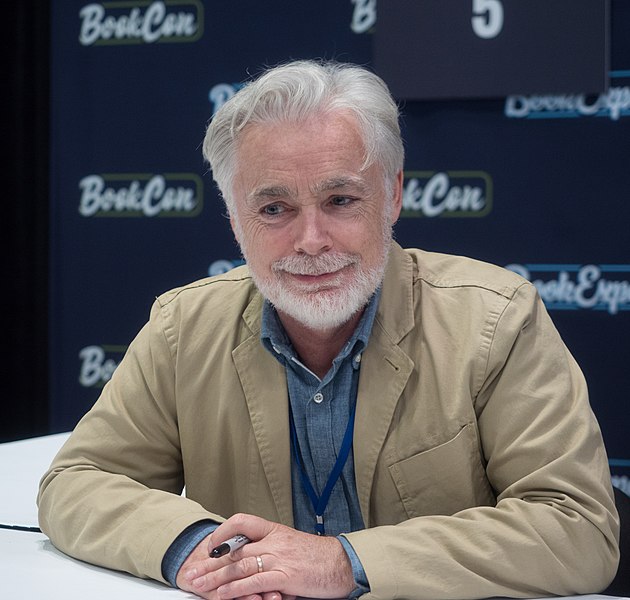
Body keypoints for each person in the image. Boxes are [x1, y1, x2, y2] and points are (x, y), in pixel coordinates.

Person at [38, 60, 619, 600]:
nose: (311, 240)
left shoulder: (497, 319)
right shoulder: (183, 327)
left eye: (340, 200)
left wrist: (344, 562)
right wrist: (199, 548)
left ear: (392, 194)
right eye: (273, 209)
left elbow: (577, 527)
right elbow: (78, 481)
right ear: (233, 216)